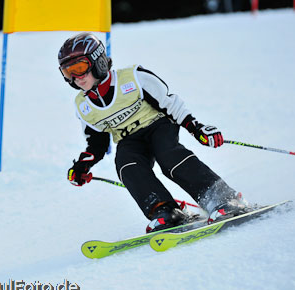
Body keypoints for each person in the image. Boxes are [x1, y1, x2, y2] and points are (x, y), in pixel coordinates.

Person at [58, 32, 249, 233]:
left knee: (168, 155)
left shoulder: (133, 78)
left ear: (98, 62)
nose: (76, 78)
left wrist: (196, 128)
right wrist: (82, 166)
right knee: (126, 165)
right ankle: (164, 210)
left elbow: (170, 104)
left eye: (80, 68)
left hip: (157, 125)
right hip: (129, 139)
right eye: (68, 72)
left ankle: (222, 198)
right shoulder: (83, 105)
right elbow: (96, 143)